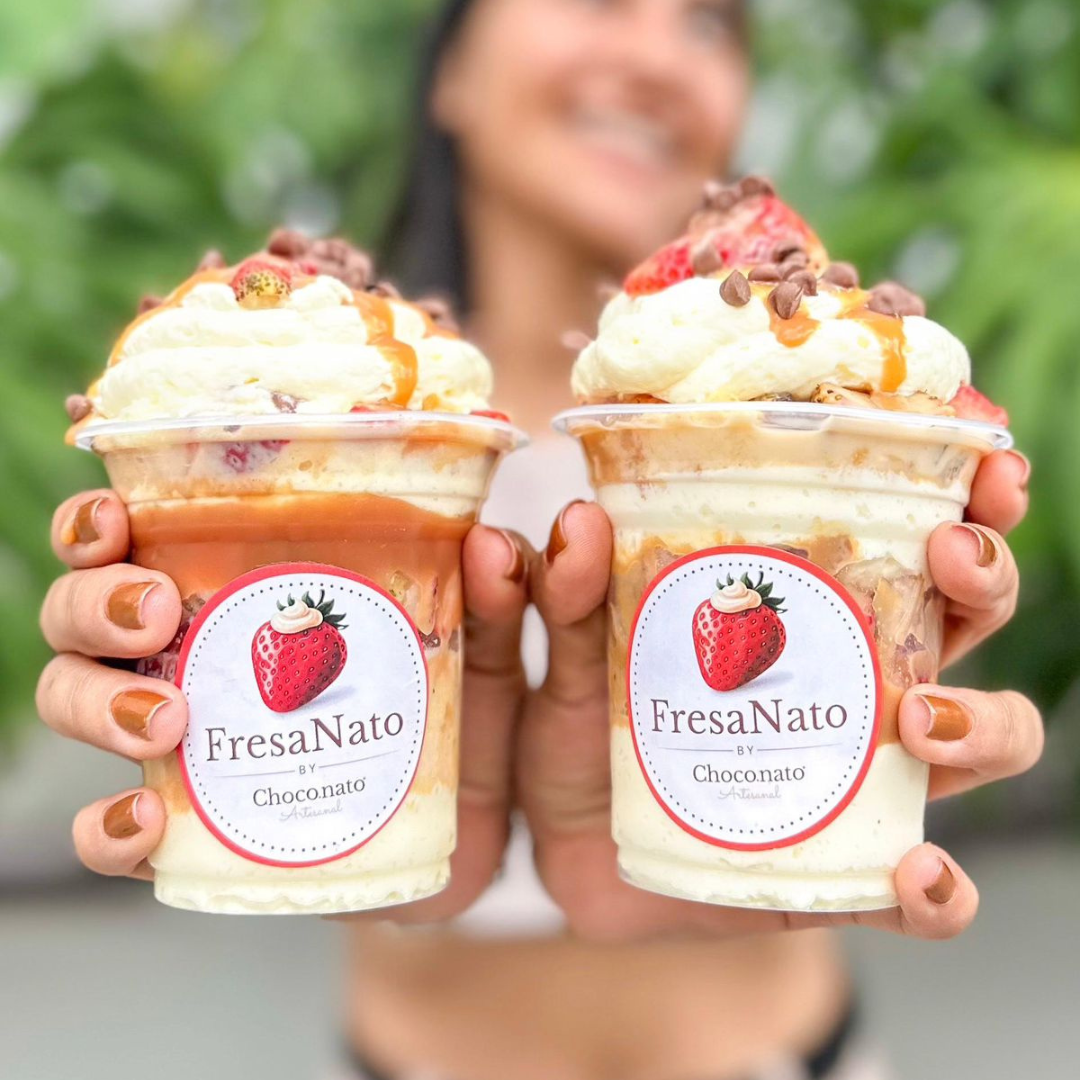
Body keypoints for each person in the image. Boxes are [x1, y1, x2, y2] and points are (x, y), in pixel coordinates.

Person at [37, 2, 1041, 1078]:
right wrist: (171, 689)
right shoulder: (331, 406)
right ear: (450, 66)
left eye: (709, 25)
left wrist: (900, 688)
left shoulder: (830, 407)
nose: (657, 53)